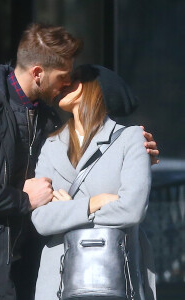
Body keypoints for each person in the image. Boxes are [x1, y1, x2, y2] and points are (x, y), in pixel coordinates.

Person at [0, 23, 159, 300]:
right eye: (63, 76)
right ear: (38, 73)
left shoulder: (44, 119)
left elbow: (80, 172)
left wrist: (134, 152)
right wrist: (24, 199)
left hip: (15, 273)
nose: (67, 83)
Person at [32, 64, 156, 300]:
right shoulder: (51, 145)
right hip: (57, 285)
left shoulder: (130, 139)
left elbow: (132, 210)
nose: (63, 85)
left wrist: (67, 211)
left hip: (115, 281)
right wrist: (94, 203)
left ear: (88, 88)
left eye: (73, 79)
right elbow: (41, 220)